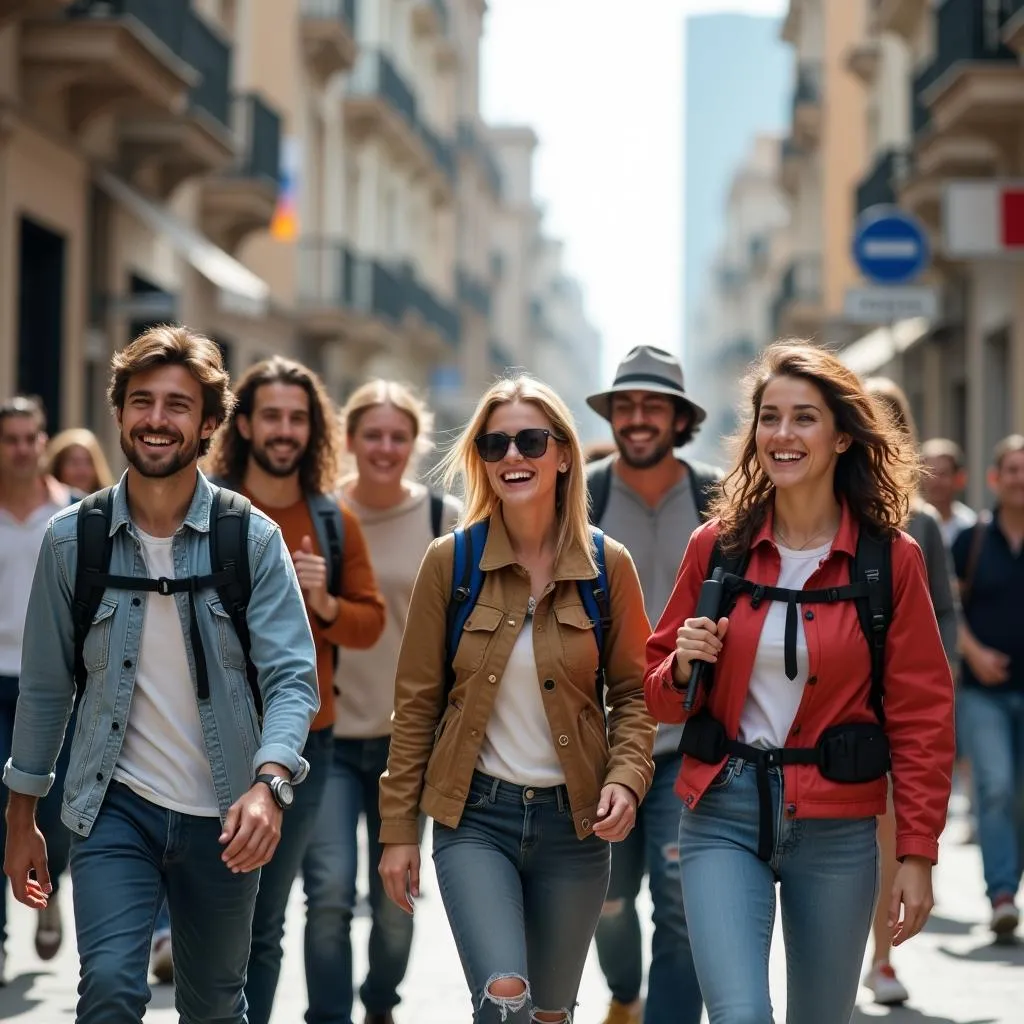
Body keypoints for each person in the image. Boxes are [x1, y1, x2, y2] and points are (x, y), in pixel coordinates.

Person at [2, 326, 320, 1024]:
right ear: (118, 413)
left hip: (228, 813)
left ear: (208, 423)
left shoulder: (250, 538)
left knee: (211, 1007)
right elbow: (47, 689)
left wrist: (270, 786)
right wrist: (22, 815)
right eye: (141, 401)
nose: (156, 419)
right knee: (112, 989)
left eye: (178, 405)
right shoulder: (73, 539)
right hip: (114, 807)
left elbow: (293, 680)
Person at [645, 342, 955, 1024]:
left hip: (840, 828)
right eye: (770, 417)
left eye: (804, 418)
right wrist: (684, 664)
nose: (782, 435)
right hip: (722, 812)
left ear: (843, 434)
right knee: (740, 1015)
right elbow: (657, 692)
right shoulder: (717, 546)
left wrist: (918, 853)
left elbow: (922, 715)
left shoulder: (889, 559)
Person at [378, 374, 657, 1023]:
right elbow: (416, 704)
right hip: (476, 820)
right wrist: (398, 834)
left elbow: (635, 695)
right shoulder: (450, 562)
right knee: (506, 1000)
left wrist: (628, 778)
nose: (512, 456)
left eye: (530, 440)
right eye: (495, 443)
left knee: (551, 1014)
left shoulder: (606, 565)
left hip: (576, 827)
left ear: (562, 454)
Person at [200, 356, 386, 1024]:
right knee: (213, 918)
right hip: (201, 742)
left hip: (305, 744)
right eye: (271, 416)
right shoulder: (200, 506)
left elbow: (369, 624)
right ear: (243, 424)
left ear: (313, 430)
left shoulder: (332, 521)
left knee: (267, 919)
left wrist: (324, 600)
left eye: (297, 419)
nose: (284, 430)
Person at [302, 379, 460, 1024]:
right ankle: (330, 1016)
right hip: (332, 734)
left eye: (399, 436)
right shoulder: (324, 515)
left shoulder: (442, 520)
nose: (386, 448)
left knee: (396, 893)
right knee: (331, 893)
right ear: (348, 439)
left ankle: (381, 1004)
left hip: (409, 741)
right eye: (373, 435)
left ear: (415, 443)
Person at [584, 345, 720, 1024]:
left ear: (678, 419)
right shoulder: (579, 497)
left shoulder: (720, 499)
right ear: (612, 416)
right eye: (626, 406)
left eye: (653, 406)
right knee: (607, 898)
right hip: (598, 740)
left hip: (690, 739)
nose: (638, 419)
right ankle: (624, 994)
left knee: (680, 898)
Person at [861, 377, 959, 1005]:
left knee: (889, 835)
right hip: (837, 709)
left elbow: (942, 612)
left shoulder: (920, 521)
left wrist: (930, 683)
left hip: (896, 707)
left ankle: (881, 958)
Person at [0, 397, 78, 982]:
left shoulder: (70, 515)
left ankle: (49, 896)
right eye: (11, 439)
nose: (22, 449)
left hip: (53, 684)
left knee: (51, 810)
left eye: (32, 437)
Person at [952, 434, 1024, 943]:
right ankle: (1001, 894)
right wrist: (974, 653)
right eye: (1013, 470)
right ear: (995, 479)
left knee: (1019, 795)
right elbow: (947, 609)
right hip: (983, 691)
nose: (1021, 479)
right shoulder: (971, 541)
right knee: (995, 787)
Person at [920, 438, 976, 549]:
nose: (936, 481)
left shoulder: (970, 525)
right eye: (930, 474)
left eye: (943, 474)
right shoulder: (909, 524)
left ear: (958, 478)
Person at [46, 427, 115, 494]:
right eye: (74, 462)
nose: (81, 470)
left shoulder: (112, 503)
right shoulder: (47, 504)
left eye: (88, 462)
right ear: (58, 467)